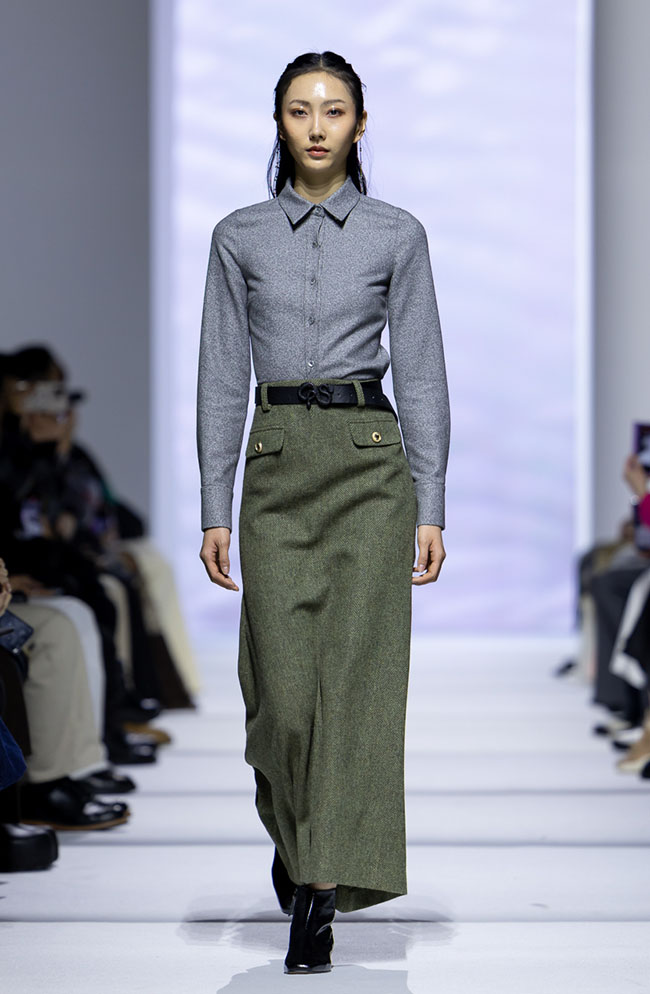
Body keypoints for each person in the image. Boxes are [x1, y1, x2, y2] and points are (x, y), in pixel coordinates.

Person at [196, 51, 450, 974]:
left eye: (333, 110)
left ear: (360, 123)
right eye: (300, 110)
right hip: (275, 470)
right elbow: (222, 375)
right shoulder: (238, 236)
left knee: (357, 687)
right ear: (278, 121)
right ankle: (300, 830)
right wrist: (213, 503)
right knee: (280, 695)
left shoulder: (396, 234)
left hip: (369, 468)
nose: (316, 126)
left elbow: (421, 369)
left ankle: (317, 887)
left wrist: (432, 500)